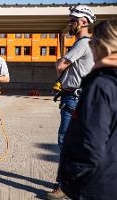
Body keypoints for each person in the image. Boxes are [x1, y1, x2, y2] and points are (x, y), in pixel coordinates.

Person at [59, 19, 117, 200]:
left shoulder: (101, 85)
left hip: (97, 185)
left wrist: (71, 179)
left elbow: (90, 145)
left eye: (93, 42)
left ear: (103, 45)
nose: (91, 47)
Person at [46, 5, 96, 200]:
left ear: (83, 22)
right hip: (80, 97)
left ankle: (65, 186)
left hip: (74, 98)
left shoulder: (82, 43)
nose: (69, 23)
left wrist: (61, 67)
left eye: (72, 20)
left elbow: (60, 65)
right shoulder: (90, 43)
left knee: (66, 142)